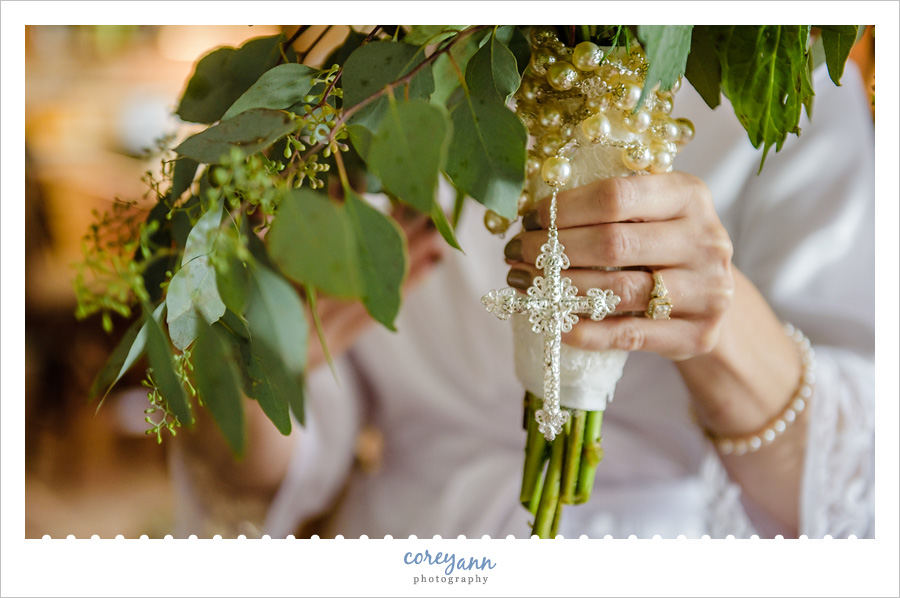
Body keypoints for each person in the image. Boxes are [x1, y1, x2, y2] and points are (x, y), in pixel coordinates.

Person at [170, 57, 875, 540]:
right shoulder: (345, 78)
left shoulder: (781, 66)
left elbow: (858, 493)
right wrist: (264, 354)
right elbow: (271, 480)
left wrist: (714, 315)